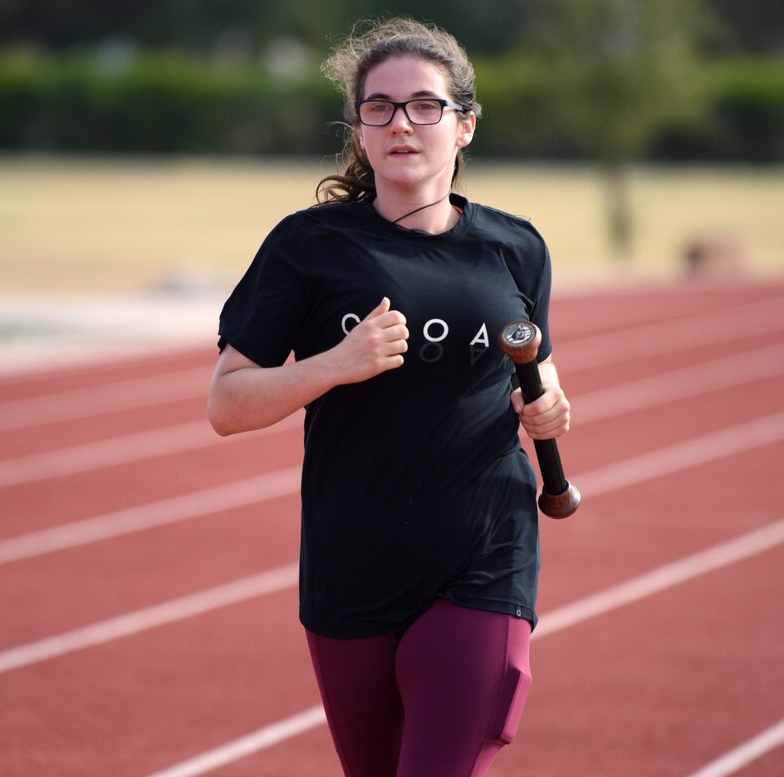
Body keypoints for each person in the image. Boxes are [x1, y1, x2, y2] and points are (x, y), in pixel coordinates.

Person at [207, 17, 571, 777]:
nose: (401, 123)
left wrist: (551, 405)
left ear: (465, 124)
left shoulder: (517, 247)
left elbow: (535, 366)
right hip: (350, 566)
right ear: (360, 130)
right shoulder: (308, 246)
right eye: (379, 107)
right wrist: (336, 363)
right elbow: (228, 404)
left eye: (424, 106)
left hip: (482, 559)